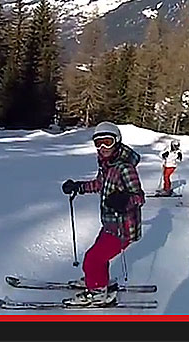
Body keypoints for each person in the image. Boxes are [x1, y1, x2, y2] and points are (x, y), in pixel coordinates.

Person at [61, 122, 145, 307]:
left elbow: (139, 197)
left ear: (117, 142)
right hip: (110, 224)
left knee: (93, 258)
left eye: (107, 142)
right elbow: (100, 184)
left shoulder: (125, 167)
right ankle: (97, 280)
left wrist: (124, 200)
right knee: (98, 257)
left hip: (123, 228)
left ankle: (97, 291)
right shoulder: (107, 164)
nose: (103, 147)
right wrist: (78, 186)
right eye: (98, 143)